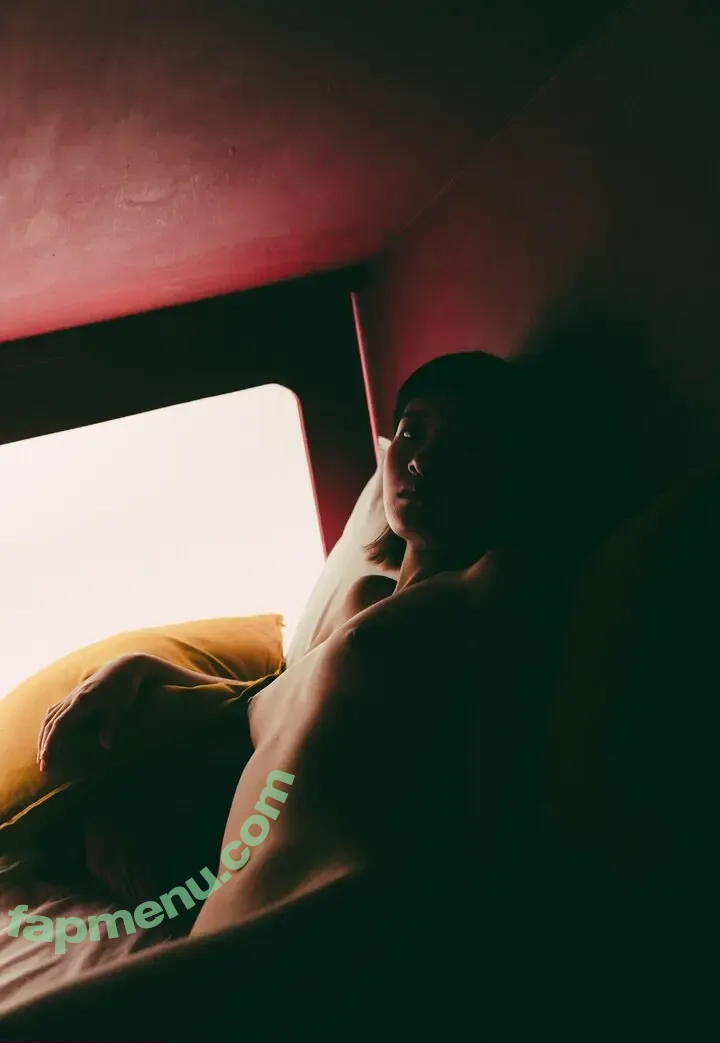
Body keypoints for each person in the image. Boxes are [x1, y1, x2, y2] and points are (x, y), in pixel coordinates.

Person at [9, 351, 566, 1040]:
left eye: (467, 445)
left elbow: (504, 776)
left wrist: (485, 972)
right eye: (413, 432)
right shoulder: (360, 602)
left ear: (509, 473)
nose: (424, 460)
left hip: (345, 917)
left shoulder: (497, 581)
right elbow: (266, 710)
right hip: (235, 936)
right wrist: (139, 667)